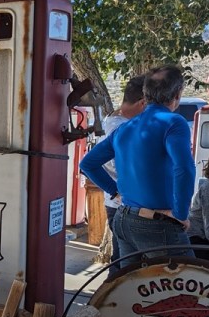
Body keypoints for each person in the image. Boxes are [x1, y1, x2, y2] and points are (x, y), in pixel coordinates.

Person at [80, 65, 196, 261]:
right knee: (189, 284)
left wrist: (115, 191)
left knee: (132, 286)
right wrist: (180, 212)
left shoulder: (125, 128)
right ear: (177, 94)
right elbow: (184, 168)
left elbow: (88, 163)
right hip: (157, 224)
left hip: (125, 217)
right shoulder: (173, 122)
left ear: (146, 93)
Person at [99, 75, 146, 273]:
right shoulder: (121, 127)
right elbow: (115, 165)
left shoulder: (114, 121)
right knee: (125, 263)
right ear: (144, 102)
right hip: (124, 205)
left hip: (121, 203)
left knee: (124, 261)